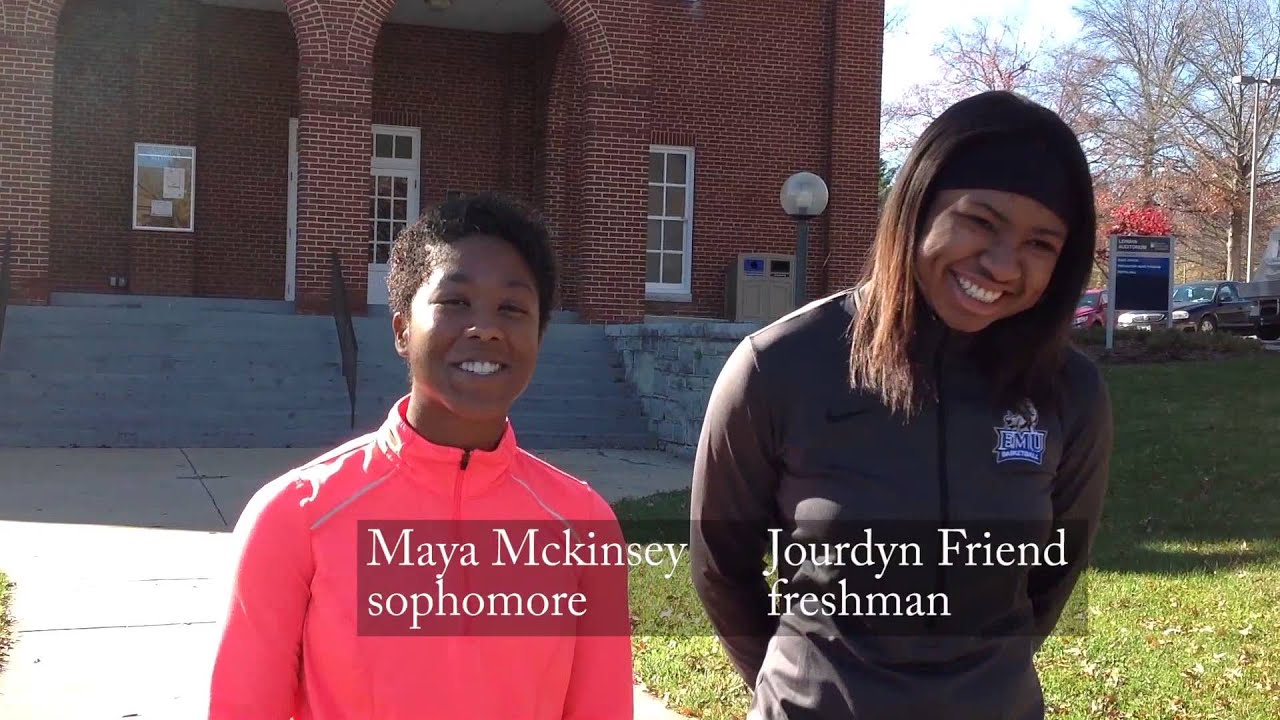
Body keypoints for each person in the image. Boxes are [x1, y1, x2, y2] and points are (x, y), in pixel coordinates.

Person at [689, 90, 1113, 719]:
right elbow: (722, 569)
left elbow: (1054, 575)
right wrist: (802, 688)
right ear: (917, 207)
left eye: (1040, 244)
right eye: (980, 221)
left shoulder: (1069, 392)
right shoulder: (779, 366)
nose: (1002, 265)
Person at [209, 192, 634, 719]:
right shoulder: (297, 516)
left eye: (513, 308)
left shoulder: (581, 525)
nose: (485, 327)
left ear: (539, 336)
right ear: (402, 331)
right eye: (455, 303)